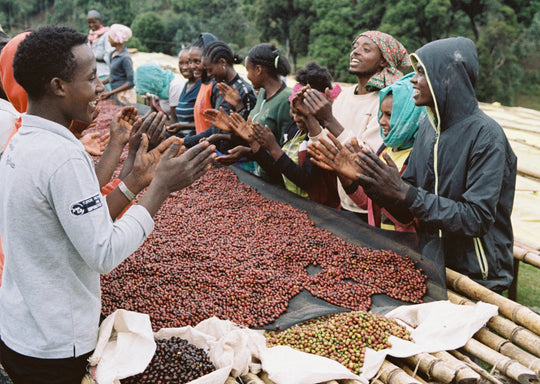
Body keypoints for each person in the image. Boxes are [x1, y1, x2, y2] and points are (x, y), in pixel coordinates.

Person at [0, 25, 216, 384]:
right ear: (58, 86)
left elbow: (72, 222)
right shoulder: (63, 156)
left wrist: (134, 179)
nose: (101, 88)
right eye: (91, 79)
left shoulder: (22, 140)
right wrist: (160, 188)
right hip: (54, 344)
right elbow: (102, 252)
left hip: (19, 329)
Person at [348, 37, 516, 292]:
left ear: (447, 78)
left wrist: (406, 192)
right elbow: (408, 208)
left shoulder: (486, 136)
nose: (413, 79)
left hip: (478, 276)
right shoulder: (428, 128)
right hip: (435, 264)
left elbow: (477, 218)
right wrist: (371, 182)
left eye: (421, 72)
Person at [303, 31, 409, 220]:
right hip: (344, 199)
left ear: (383, 61)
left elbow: (370, 158)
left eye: (366, 49)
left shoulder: (386, 103)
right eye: (355, 48)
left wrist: (328, 119)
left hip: (371, 208)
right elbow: (328, 148)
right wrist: (309, 117)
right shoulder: (344, 95)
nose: (355, 52)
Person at [309, 72, 423, 229]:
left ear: (409, 116)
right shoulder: (386, 149)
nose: (382, 121)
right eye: (381, 114)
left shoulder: (418, 157)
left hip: (407, 247)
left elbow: (409, 218)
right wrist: (347, 177)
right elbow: (368, 204)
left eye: (390, 115)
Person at [241, 61, 341, 207]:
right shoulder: (293, 129)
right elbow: (279, 172)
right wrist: (255, 146)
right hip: (295, 205)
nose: (295, 118)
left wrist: (274, 148)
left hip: (321, 210)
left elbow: (305, 180)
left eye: (301, 113)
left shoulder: (323, 137)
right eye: (293, 111)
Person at [215, 43, 293, 177]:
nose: (248, 76)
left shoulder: (286, 100)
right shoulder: (262, 93)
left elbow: (285, 151)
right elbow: (255, 136)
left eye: (248, 70)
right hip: (261, 172)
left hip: (278, 180)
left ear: (258, 69)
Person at [182, 40, 256, 150]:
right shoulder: (221, 87)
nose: (209, 75)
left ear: (222, 63)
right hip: (222, 153)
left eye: (210, 70)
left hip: (240, 158)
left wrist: (239, 105)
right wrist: (187, 141)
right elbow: (216, 128)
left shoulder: (243, 90)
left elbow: (249, 132)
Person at [166, 47, 200, 136]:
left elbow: (206, 123)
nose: (184, 67)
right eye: (181, 63)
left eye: (188, 63)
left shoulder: (201, 87)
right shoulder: (186, 85)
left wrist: (183, 126)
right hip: (183, 137)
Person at [100, 24, 135, 104]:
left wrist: (110, 93)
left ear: (115, 39)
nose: (108, 40)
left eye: (109, 37)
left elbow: (130, 83)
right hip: (115, 93)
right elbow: (114, 75)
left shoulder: (125, 57)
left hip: (125, 95)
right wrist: (100, 83)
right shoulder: (112, 54)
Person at [191, 32, 219, 134]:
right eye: (191, 61)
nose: (192, 66)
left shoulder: (216, 86)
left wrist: (189, 140)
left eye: (197, 61)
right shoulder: (203, 84)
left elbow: (217, 128)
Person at [86, 10, 113, 88]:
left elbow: (109, 54)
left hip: (105, 72)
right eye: (89, 23)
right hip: (95, 72)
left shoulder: (106, 34)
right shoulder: (91, 35)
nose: (91, 25)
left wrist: (93, 57)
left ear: (100, 21)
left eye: (94, 22)